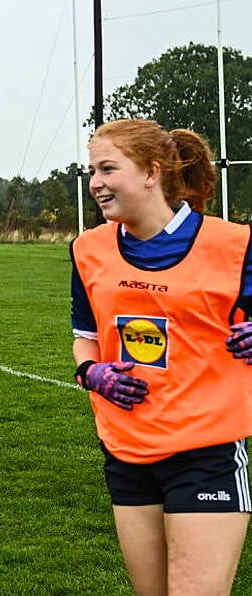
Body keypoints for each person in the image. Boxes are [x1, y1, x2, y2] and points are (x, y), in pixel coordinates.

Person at [70, 119, 252, 595]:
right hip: (125, 451)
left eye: (108, 168)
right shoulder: (88, 249)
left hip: (205, 453)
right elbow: (85, 337)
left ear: (151, 172)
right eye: (92, 170)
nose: (96, 183)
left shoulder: (234, 245)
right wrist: (93, 372)